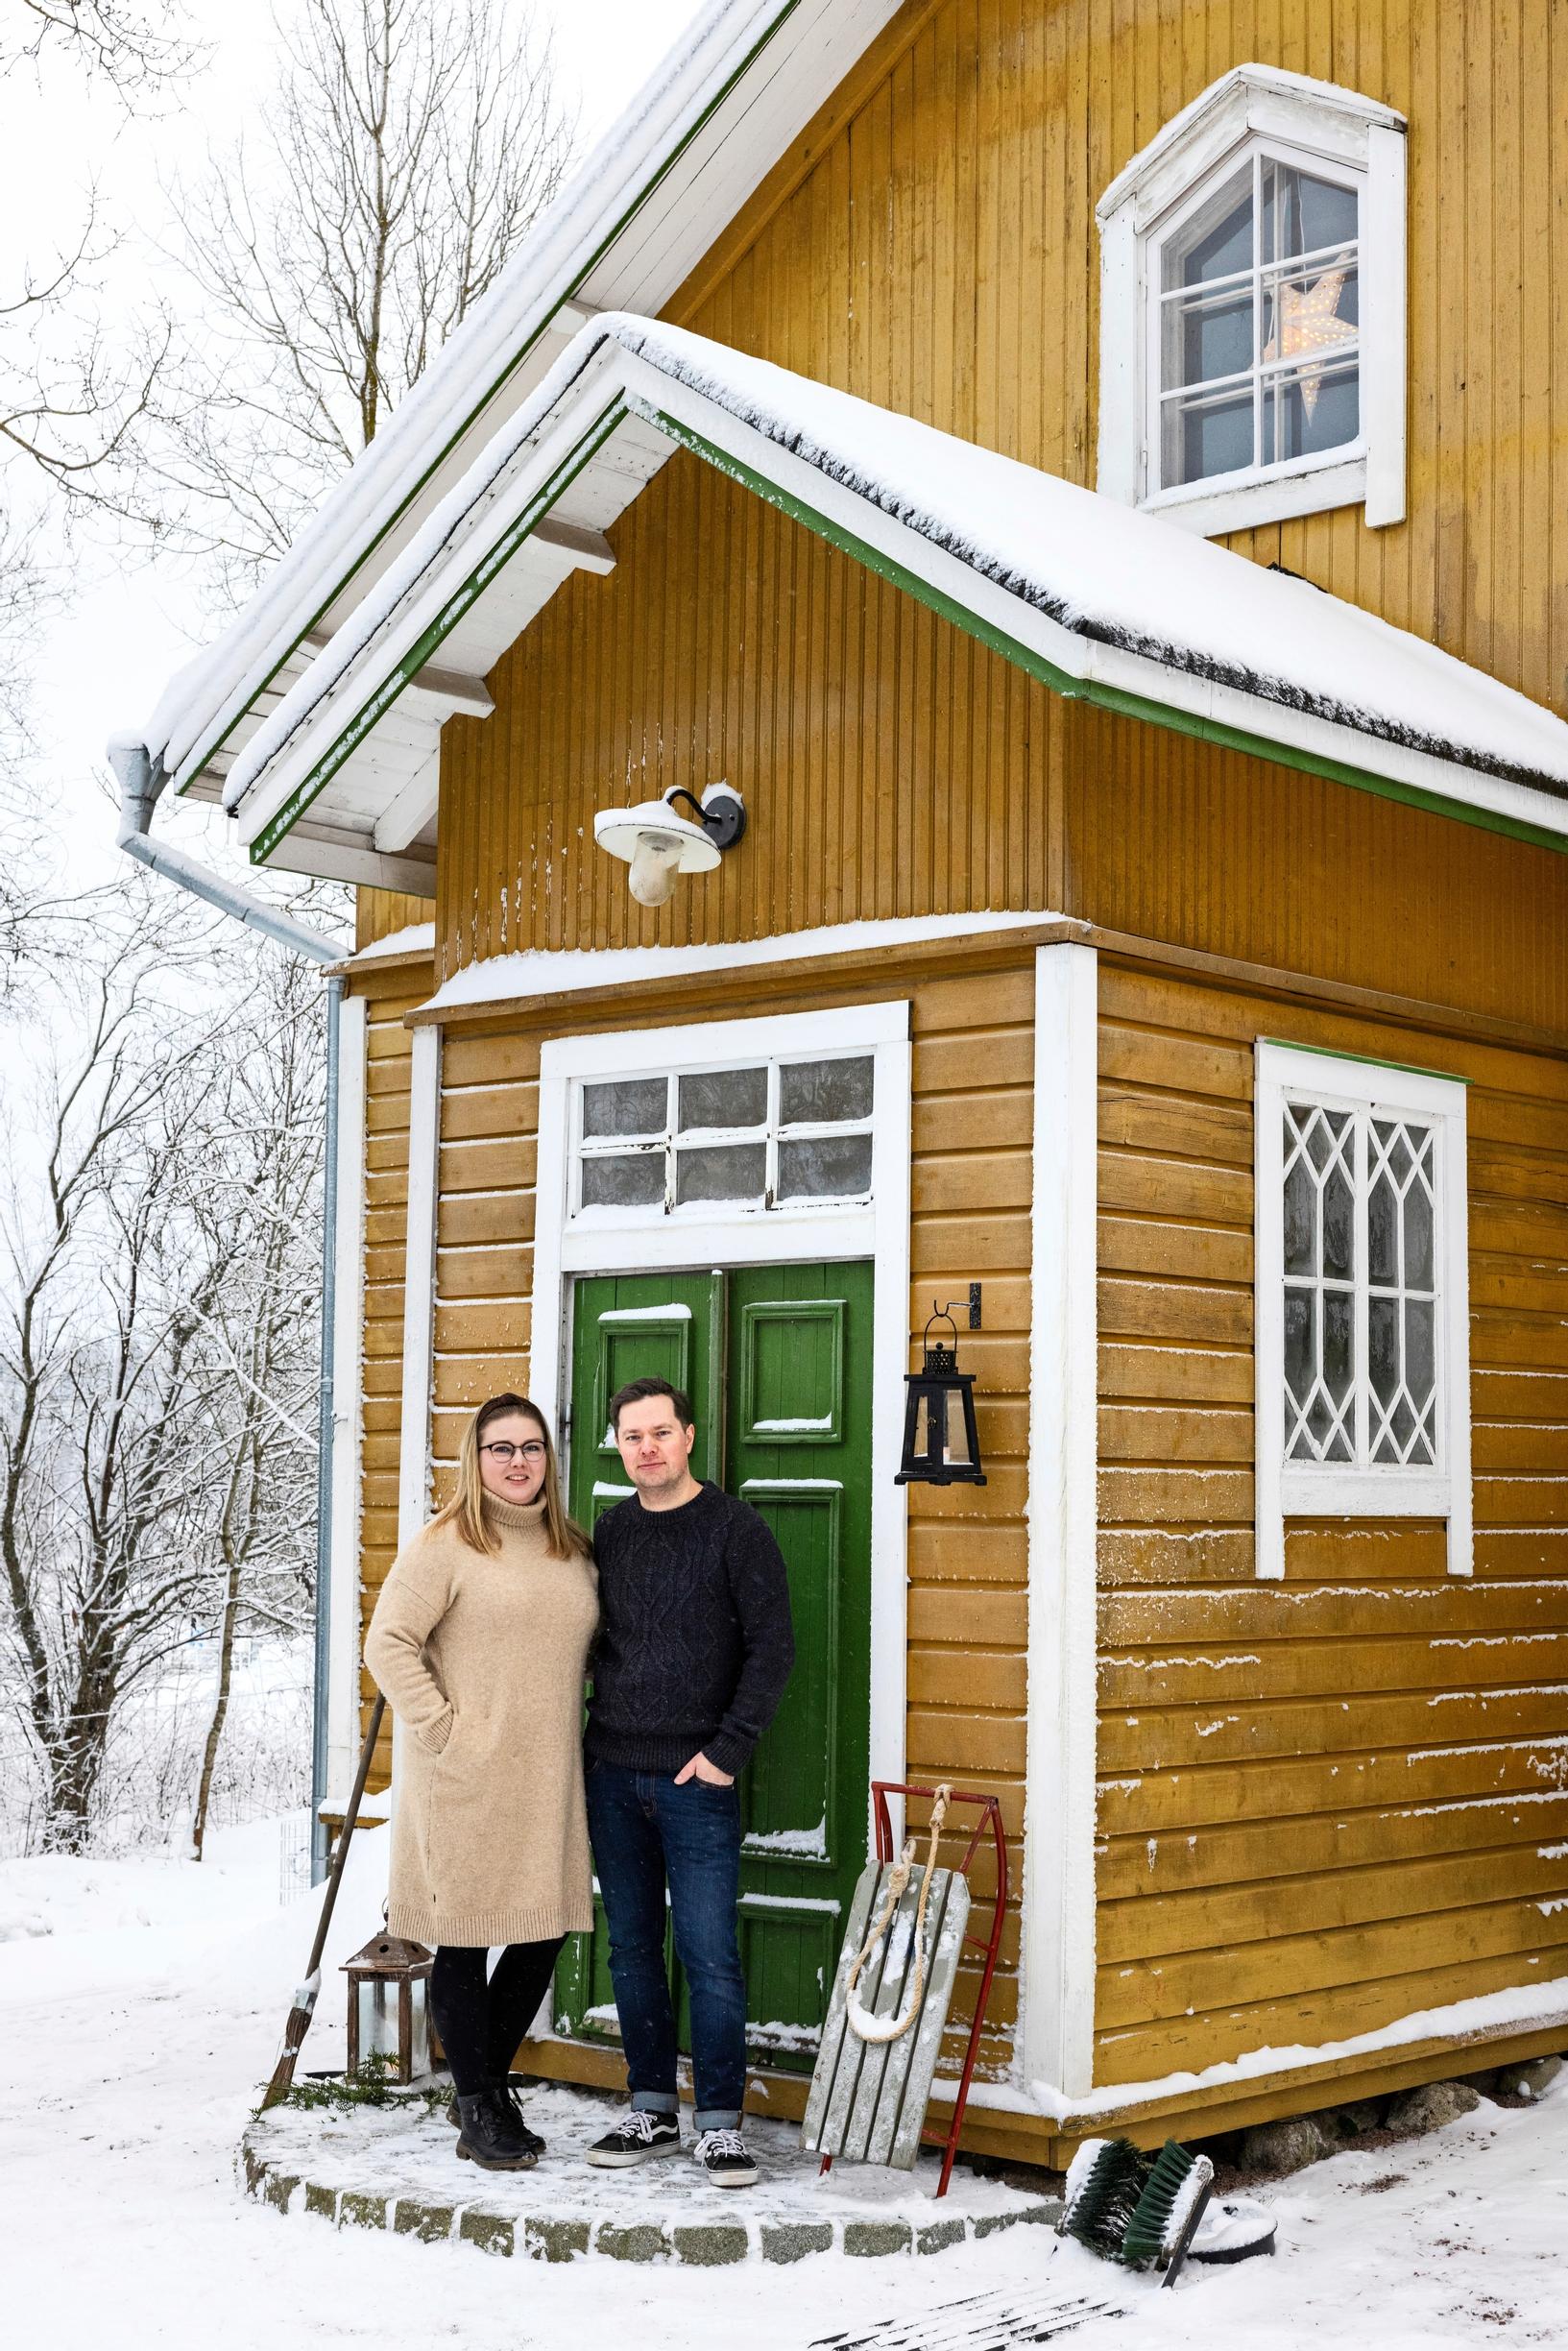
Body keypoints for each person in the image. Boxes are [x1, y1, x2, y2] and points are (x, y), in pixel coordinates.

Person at [365, 1393, 596, 2172]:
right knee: (462, 1938)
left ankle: (487, 2088)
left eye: (531, 1447)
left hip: (547, 1778)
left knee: (544, 1926)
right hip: (462, 1776)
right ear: (476, 1457)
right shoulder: (445, 1545)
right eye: (501, 1448)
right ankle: (479, 2106)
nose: (518, 1462)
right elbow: (388, 1643)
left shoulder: (572, 1550)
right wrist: (443, 1730)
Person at [583, 1375, 794, 2188]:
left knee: (709, 1955)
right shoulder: (610, 1532)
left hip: (695, 1781)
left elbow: (772, 1648)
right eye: (633, 1437)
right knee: (632, 1949)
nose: (648, 1448)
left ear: (689, 1436)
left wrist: (724, 1753)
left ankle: (717, 2123)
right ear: (621, 1446)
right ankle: (649, 2107)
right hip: (613, 1772)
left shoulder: (736, 1530)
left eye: (660, 1432)